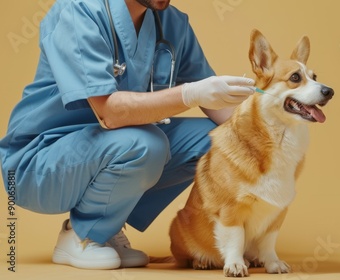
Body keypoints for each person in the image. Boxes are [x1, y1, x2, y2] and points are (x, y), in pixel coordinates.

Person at [0, 0, 255, 270]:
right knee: (146, 144)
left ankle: (107, 225)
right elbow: (109, 113)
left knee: (218, 143)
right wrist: (188, 93)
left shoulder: (171, 22)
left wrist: (270, 124)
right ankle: (83, 235)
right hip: (38, 163)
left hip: (110, 146)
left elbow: (219, 107)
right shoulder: (77, 11)